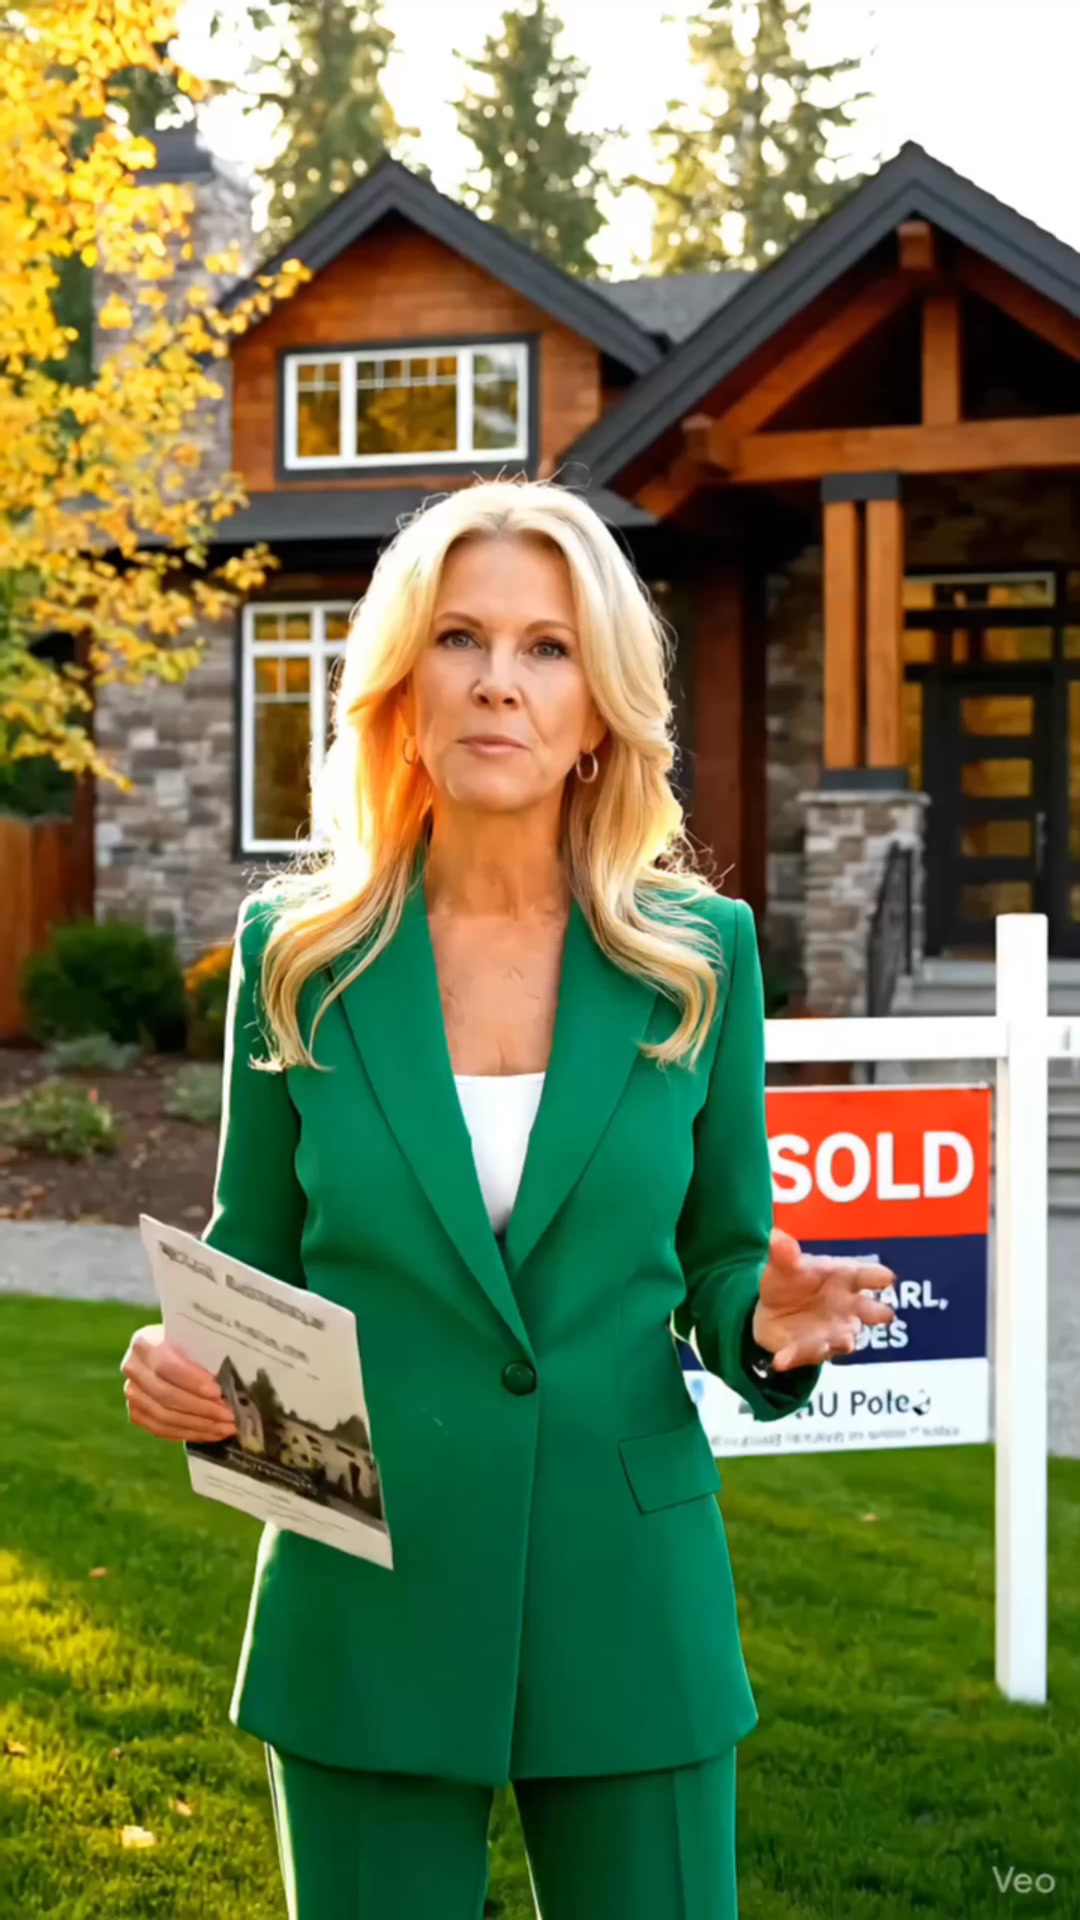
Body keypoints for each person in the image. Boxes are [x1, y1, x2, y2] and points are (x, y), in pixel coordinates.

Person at [119, 478, 896, 1920]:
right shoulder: (296, 953)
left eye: (548, 648)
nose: (499, 681)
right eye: (460, 638)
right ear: (403, 685)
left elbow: (722, 1263)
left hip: (633, 1593)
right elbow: (255, 1262)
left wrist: (768, 1323)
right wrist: (180, 1363)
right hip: (364, 1594)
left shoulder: (700, 954)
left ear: (598, 709)